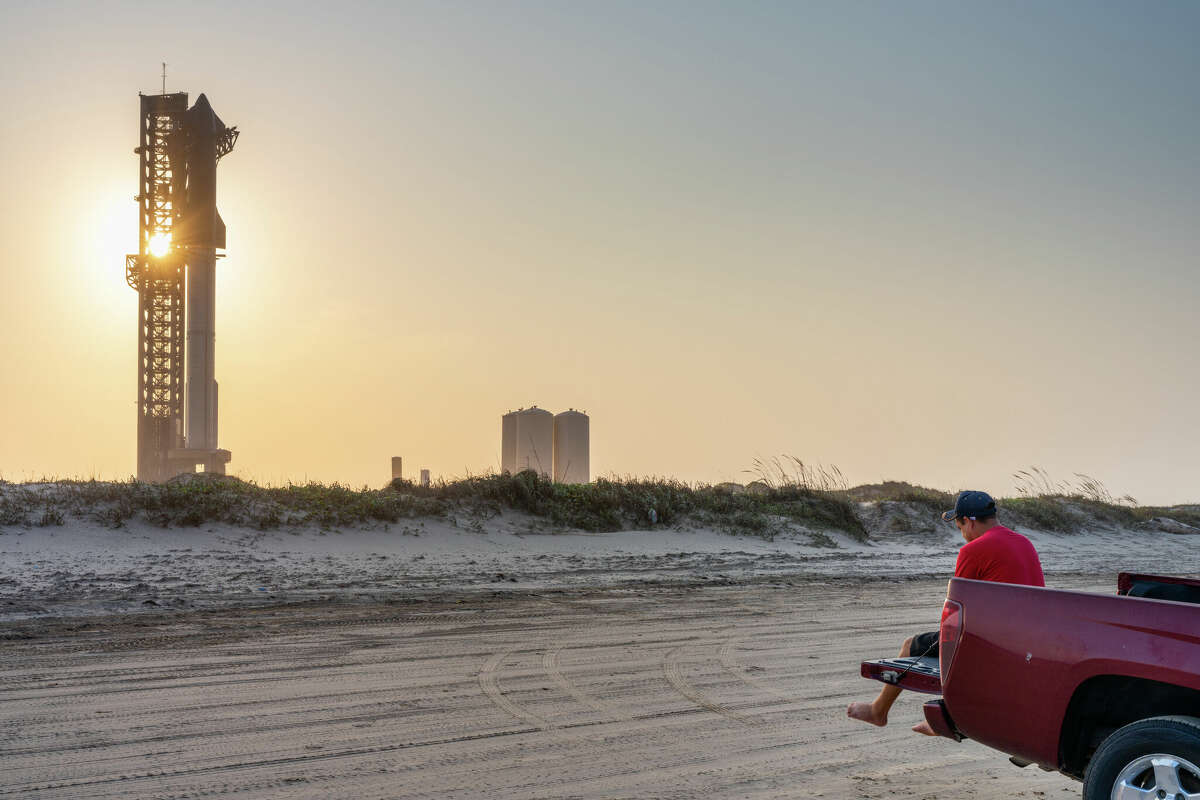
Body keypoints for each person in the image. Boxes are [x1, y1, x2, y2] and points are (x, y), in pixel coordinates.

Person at [846, 490, 1044, 734]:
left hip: (997, 641)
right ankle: (946, 716)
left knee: (913, 645)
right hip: (1031, 637)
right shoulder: (1024, 542)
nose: (961, 533)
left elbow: (956, 610)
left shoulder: (974, 550)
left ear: (969, 522)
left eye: (959, 525)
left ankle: (880, 712)